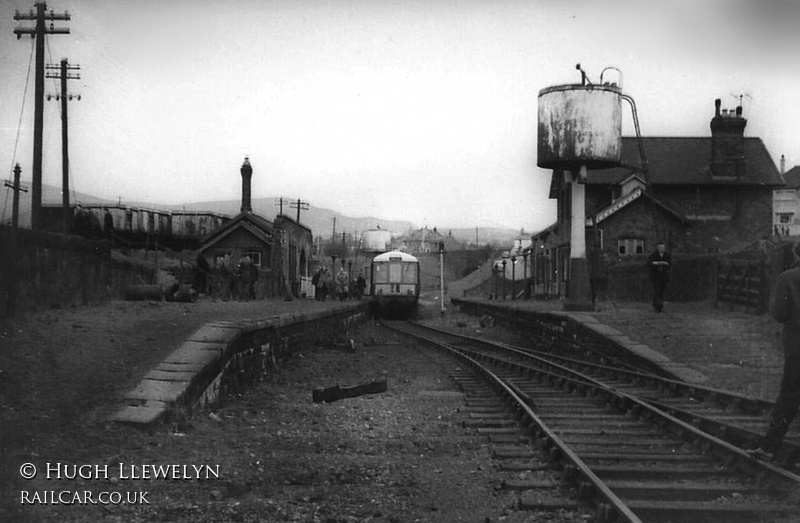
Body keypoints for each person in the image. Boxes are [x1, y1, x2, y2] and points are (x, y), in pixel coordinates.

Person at [748, 241, 800, 463]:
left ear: (797, 253)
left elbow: (779, 314)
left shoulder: (788, 278)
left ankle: (769, 447)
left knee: (788, 399)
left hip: (797, 349)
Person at [646, 241, 671, 312]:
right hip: (656, 276)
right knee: (656, 290)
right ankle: (656, 305)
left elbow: (670, 264)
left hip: (664, 276)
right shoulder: (654, 255)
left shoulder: (667, 255)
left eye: (663, 247)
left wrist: (665, 264)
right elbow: (649, 263)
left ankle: (660, 305)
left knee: (662, 291)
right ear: (657, 248)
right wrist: (657, 263)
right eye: (660, 247)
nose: (661, 249)